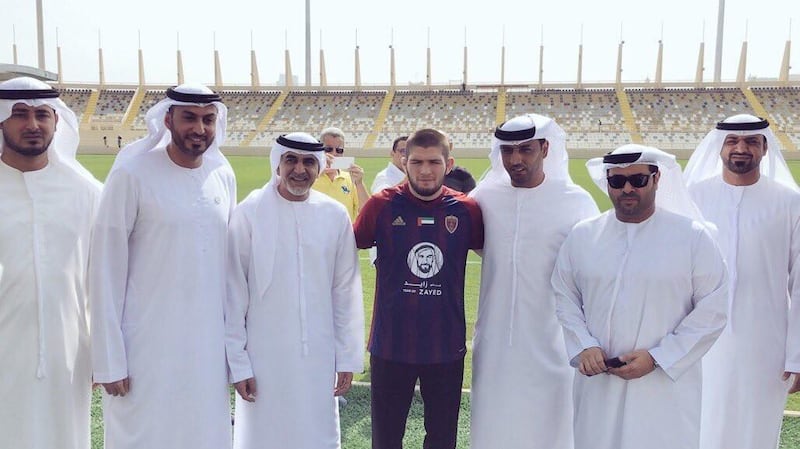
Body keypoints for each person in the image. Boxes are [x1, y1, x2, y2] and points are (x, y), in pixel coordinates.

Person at [552, 145, 728, 449]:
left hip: (663, 386)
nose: (628, 189)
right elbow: (565, 295)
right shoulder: (584, 235)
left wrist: (659, 357)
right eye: (617, 182)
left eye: (638, 179)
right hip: (598, 384)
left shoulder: (693, 236)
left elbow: (713, 308)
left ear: (656, 178)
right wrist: (585, 345)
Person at [89, 84, 236, 449]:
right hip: (145, 344)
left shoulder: (222, 175)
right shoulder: (132, 173)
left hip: (206, 345)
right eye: (189, 118)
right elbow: (104, 268)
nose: (199, 128)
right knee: (143, 434)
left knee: (202, 433)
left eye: (208, 119)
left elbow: (231, 269)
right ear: (167, 118)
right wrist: (109, 358)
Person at [225, 132, 364, 449]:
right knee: (263, 437)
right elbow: (233, 296)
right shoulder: (249, 213)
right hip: (263, 358)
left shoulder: (334, 215)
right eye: (291, 160)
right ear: (277, 163)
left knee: (316, 435)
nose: (299, 170)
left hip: (318, 355)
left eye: (308, 162)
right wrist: (239, 363)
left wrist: (346, 356)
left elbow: (345, 291)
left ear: (318, 167)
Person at [468, 114, 599, 449]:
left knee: (550, 428)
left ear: (544, 147)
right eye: (508, 151)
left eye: (525, 149)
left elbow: (591, 275)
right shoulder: (484, 198)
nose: (515, 160)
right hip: (494, 341)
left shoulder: (576, 201)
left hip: (552, 341)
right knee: (494, 422)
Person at [354, 128, 484, 449]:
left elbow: (492, 252)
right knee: (386, 437)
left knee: (441, 438)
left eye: (434, 162)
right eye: (416, 162)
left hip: (446, 344)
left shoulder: (467, 210)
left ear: (449, 164)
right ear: (403, 162)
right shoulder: (381, 205)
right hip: (391, 344)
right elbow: (350, 245)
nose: (425, 170)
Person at [684, 114, 800, 449]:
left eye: (751, 141)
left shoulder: (790, 202)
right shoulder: (693, 198)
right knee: (699, 425)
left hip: (765, 343)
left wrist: (796, 355)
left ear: (765, 148)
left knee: (756, 427)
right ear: (718, 147)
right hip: (698, 339)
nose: (741, 148)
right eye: (732, 140)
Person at [0, 77, 102, 449]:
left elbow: (102, 279)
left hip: (68, 353)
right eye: (20, 114)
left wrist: (101, 350)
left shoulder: (86, 192)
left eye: (43, 114)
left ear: (57, 122)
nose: (33, 124)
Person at [312, 126, 368, 221]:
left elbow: (367, 210)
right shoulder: (310, 177)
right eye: (328, 149)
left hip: (344, 235)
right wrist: (317, 172)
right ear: (320, 150)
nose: (334, 154)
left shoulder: (350, 178)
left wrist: (359, 184)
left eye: (339, 150)